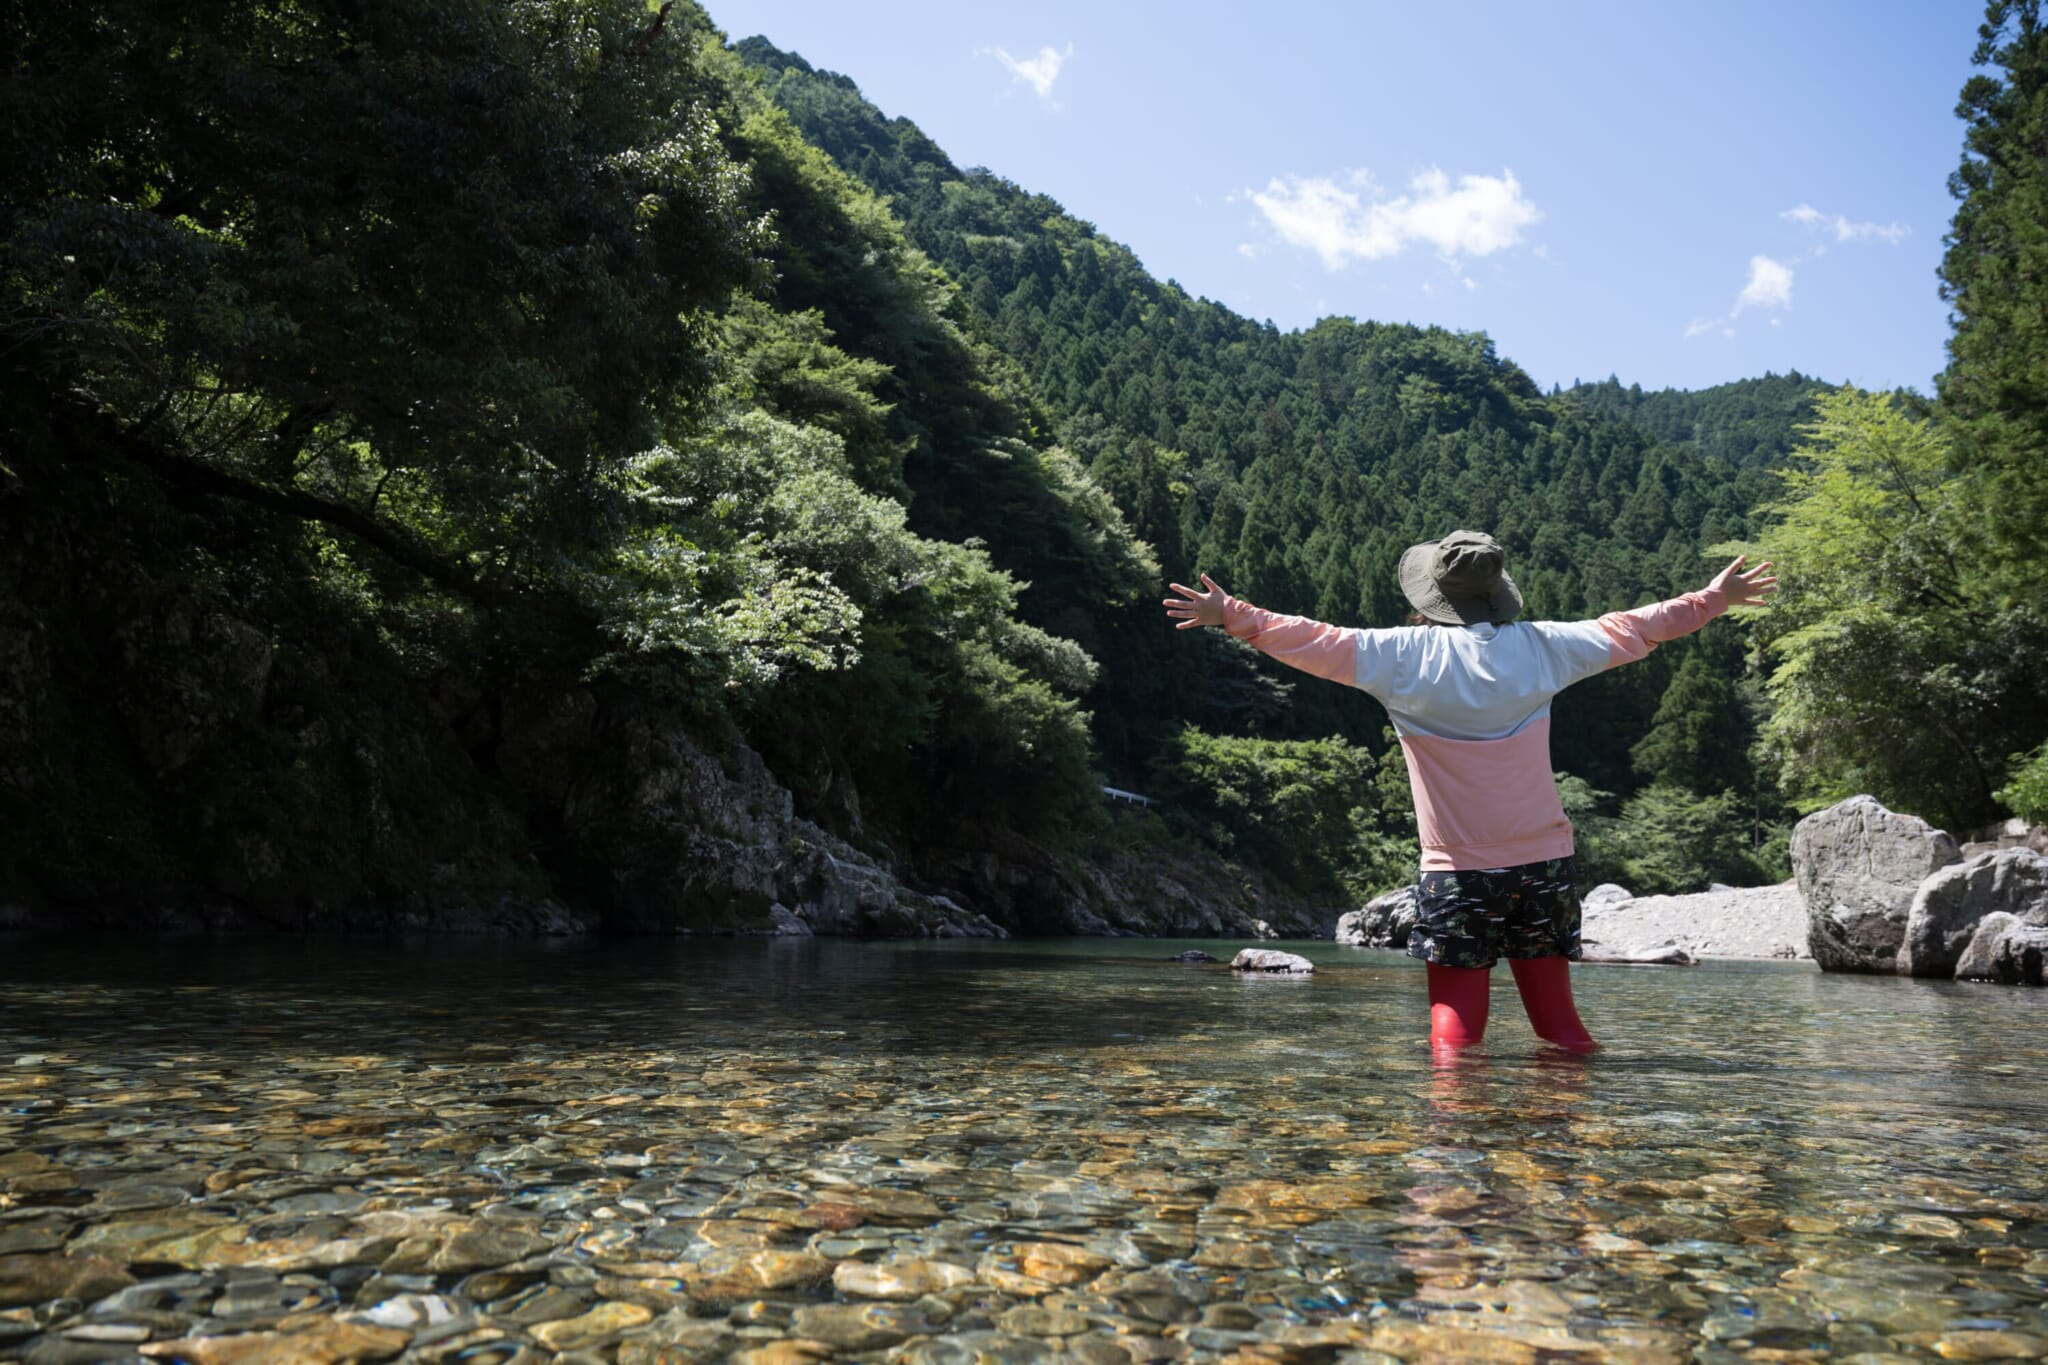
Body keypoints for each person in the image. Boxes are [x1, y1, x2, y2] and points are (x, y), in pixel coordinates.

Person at [1163, 530, 1775, 1053]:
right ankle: (1564, 1149)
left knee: (1455, 1033)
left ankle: (1452, 1157)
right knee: (1561, 1027)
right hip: (1543, 865)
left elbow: (1311, 638)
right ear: (1496, 592)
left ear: (1431, 598)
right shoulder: (1544, 647)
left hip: (1458, 871)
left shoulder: (1400, 656)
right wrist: (1715, 598)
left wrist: (1232, 615)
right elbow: (1639, 626)